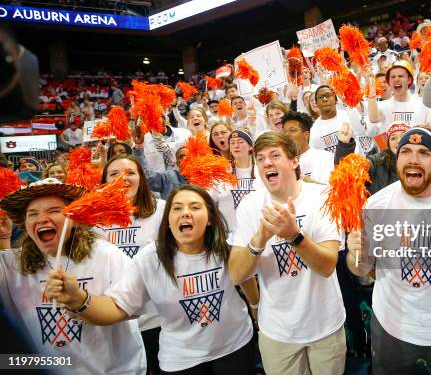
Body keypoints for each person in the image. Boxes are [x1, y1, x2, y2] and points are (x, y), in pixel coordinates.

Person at [45, 185, 256, 374]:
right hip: (181, 360)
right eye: (177, 208)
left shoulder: (226, 248)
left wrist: (255, 305)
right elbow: (118, 307)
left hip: (236, 346)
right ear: (168, 220)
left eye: (195, 207)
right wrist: (80, 299)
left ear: (209, 218)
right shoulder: (149, 258)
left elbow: (243, 275)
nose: (185, 213)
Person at [346, 125, 431, 374]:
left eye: (424, 153)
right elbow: (361, 270)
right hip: (390, 326)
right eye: (406, 151)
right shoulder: (376, 204)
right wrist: (357, 252)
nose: (413, 159)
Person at [227, 131, 346, 375]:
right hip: (278, 332)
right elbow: (236, 275)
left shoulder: (321, 197)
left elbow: (327, 266)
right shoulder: (250, 206)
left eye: (274, 155)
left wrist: (294, 235)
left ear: (294, 161)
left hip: (325, 325)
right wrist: (259, 238)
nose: (267, 163)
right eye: (260, 159)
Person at [0, 178, 147, 374]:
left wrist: (79, 299)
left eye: (53, 211)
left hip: (114, 370)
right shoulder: (10, 265)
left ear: (73, 218)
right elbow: (10, 360)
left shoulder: (105, 255)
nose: (42, 219)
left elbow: (134, 307)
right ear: (25, 224)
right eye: (32, 214)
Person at [98, 155, 166, 374]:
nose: (122, 178)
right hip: (114, 320)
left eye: (130, 173)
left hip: (155, 318)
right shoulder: (93, 219)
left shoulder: (162, 210)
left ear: (141, 178)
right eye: (114, 174)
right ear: (105, 181)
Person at [368, 61, 431, 134]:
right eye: (393, 77)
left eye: (400, 76)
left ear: (409, 80)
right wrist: (372, 87)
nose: (396, 79)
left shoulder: (423, 105)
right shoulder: (383, 105)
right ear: (389, 82)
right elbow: (373, 119)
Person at [281, 110, 334, 184]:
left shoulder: (324, 157)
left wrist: (302, 178)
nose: (287, 135)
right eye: (284, 132)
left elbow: (327, 189)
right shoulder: (280, 161)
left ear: (306, 135)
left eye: (292, 130)